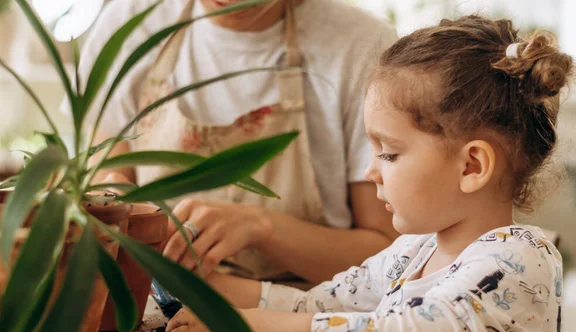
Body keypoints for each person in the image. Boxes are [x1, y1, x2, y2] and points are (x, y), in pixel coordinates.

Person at [165, 15, 576, 332]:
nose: (370, 171)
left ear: (472, 165)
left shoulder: (519, 259)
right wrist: (207, 289)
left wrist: (244, 328)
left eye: (389, 154)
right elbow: (316, 306)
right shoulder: (411, 251)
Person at [76, 0, 398, 286]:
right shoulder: (129, 25)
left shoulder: (362, 49)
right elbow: (108, 179)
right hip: (152, 300)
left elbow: (389, 255)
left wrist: (263, 228)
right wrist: (111, 199)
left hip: (300, 315)